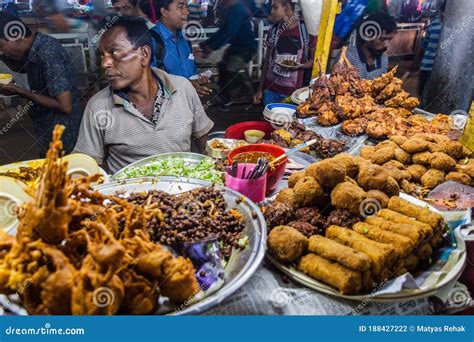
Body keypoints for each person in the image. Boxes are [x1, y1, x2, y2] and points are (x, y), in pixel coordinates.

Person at [73, 17, 214, 174]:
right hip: (128, 196)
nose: (105, 63)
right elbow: (85, 166)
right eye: (102, 55)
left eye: (115, 52)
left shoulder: (182, 88)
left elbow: (205, 143)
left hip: (184, 192)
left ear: (145, 54)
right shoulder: (98, 106)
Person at [0, 12, 83, 157]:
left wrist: (20, 91)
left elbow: (65, 106)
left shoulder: (48, 53)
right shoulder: (33, 48)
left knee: (61, 176)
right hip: (46, 129)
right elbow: (21, 68)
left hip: (62, 136)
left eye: (1, 46)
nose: (1, 52)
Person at [253, 0, 316, 106]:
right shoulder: (273, 30)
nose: (271, 12)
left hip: (295, 94)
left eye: (275, 7)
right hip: (271, 91)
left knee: (290, 121)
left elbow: (314, 61)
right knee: (270, 120)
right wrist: (260, 89)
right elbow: (267, 62)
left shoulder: (306, 31)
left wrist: (300, 66)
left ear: (286, 7)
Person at [199, 0, 257, 108]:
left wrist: (211, 47)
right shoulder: (232, 9)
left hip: (246, 48)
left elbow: (230, 32)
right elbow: (223, 31)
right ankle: (224, 94)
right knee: (221, 66)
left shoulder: (238, 10)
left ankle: (244, 97)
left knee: (231, 69)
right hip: (236, 47)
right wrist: (207, 43)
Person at [152, 0, 212, 96]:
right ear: (164, 12)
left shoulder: (184, 39)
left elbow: (190, 73)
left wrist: (197, 80)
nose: (187, 12)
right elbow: (149, 83)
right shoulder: (151, 41)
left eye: (186, 6)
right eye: (180, 6)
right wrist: (186, 86)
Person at [344, 12, 397, 80]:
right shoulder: (347, 58)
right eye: (383, 39)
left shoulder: (382, 58)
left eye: (389, 39)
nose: (387, 45)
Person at [410, 2, 444, 105]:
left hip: (441, 72)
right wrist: (416, 62)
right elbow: (424, 45)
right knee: (422, 94)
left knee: (436, 97)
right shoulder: (435, 23)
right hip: (426, 67)